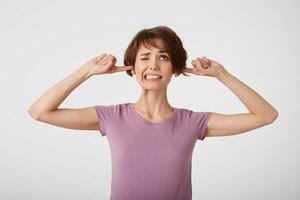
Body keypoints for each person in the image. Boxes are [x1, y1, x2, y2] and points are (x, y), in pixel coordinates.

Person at [28, 25, 279, 200]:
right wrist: (86, 71)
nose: (153, 65)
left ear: (175, 68)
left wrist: (221, 74)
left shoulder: (193, 122)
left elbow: (266, 115)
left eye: (164, 57)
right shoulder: (112, 117)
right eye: (144, 57)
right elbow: (39, 111)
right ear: (132, 67)